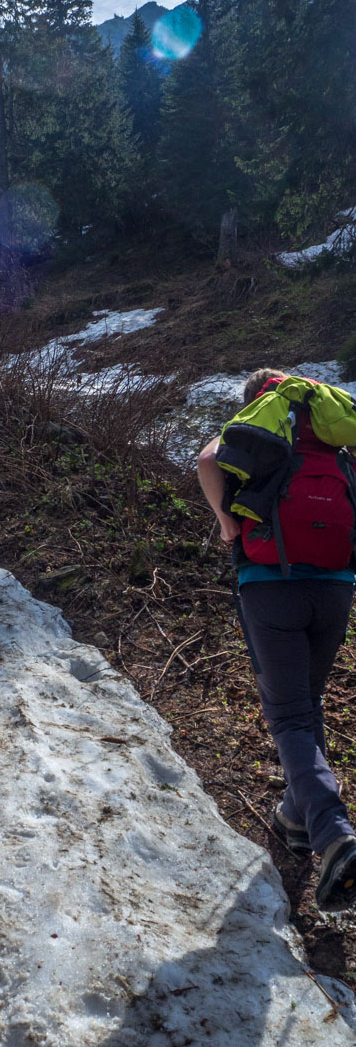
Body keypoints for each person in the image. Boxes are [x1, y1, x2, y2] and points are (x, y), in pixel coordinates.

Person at [197, 367, 356, 912]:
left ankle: (334, 833)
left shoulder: (256, 425)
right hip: (335, 586)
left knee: (288, 715)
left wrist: (225, 521)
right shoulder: (336, 438)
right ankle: (295, 818)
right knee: (303, 706)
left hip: (271, 585)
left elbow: (206, 459)